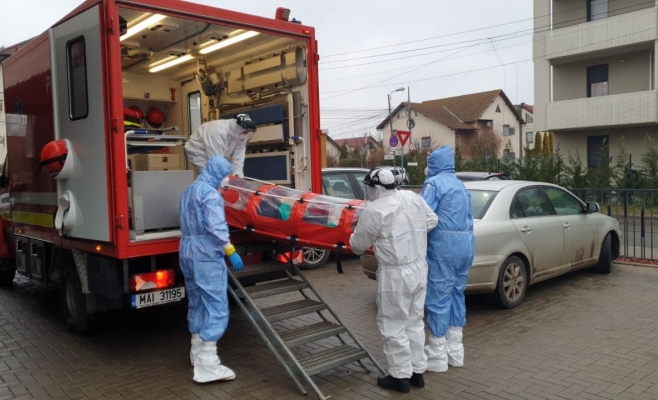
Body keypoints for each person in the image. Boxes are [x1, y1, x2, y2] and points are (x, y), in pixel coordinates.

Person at [350, 168, 438, 393]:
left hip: (395, 274)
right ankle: (417, 371)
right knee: (414, 321)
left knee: (393, 323)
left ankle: (399, 377)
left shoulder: (374, 210)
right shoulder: (411, 197)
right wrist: (410, 233)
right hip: (419, 268)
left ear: (376, 188)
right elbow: (432, 220)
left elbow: (358, 245)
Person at [179, 155, 245, 383]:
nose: (225, 179)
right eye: (225, 174)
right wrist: (230, 250)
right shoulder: (210, 194)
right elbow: (215, 226)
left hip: (187, 250)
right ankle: (208, 363)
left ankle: (196, 351)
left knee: (196, 300)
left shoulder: (188, 191)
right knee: (216, 304)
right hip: (206, 253)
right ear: (217, 172)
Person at [420, 146, 475, 372]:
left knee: (438, 298)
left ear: (433, 163)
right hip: (466, 246)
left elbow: (422, 215)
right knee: (456, 295)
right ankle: (455, 351)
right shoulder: (461, 185)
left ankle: (437, 355)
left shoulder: (434, 184)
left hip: (444, 248)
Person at [184, 114, 257, 177]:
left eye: (248, 132)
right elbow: (216, 160)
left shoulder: (240, 134)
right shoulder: (219, 130)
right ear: (239, 127)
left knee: (225, 176)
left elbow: (239, 156)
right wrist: (223, 181)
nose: (246, 133)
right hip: (198, 151)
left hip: (217, 153)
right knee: (210, 176)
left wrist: (237, 176)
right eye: (245, 131)